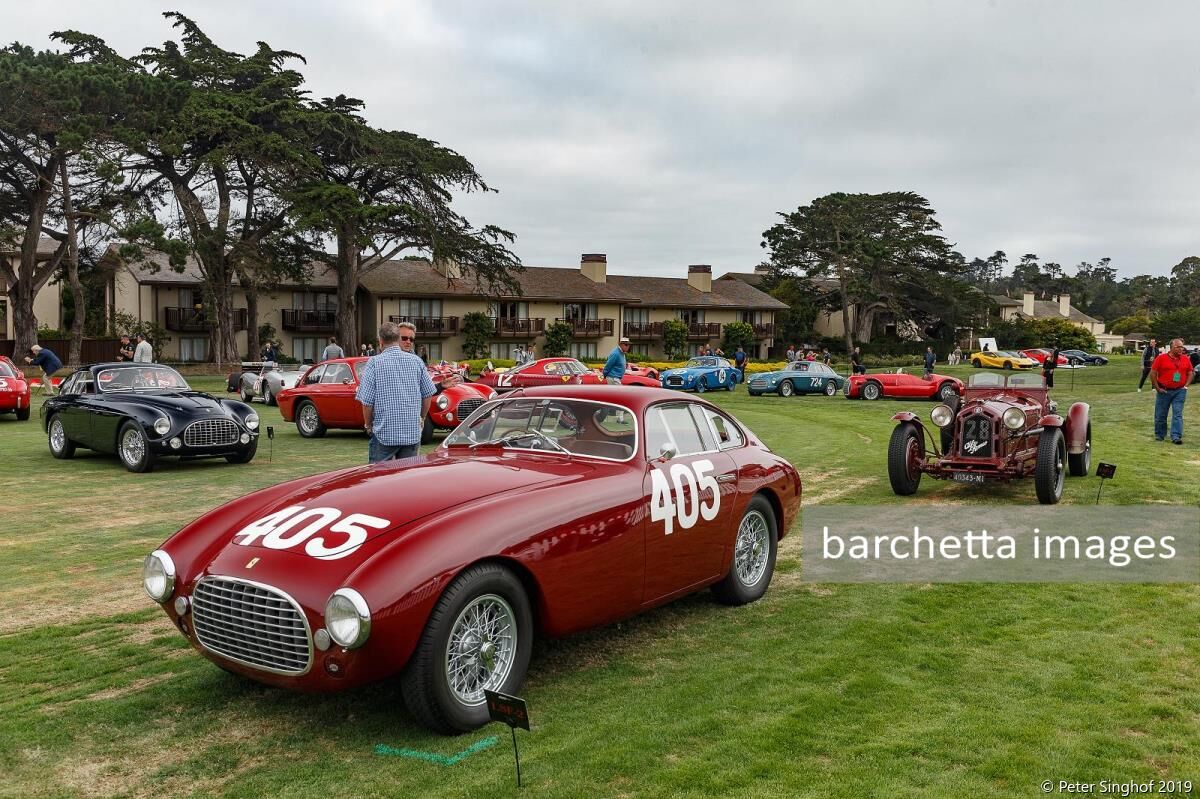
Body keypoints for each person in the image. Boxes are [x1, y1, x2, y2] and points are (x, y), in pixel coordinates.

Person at [356, 322, 437, 463]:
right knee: (407, 475)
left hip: (384, 433)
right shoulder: (417, 361)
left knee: (378, 474)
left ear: (380, 341)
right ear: (398, 338)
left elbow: (367, 402)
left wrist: (368, 425)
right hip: (411, 434)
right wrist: (422, 417)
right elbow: (427, 394)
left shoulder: (374, 363)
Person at [1150, 338, 1193, 444]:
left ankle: (1176, 436)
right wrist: (1157, 388)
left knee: (1177, 414)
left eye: (1182, 347)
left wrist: (1186, 386)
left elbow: (1190, 372)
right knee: (1161, 414)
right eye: (1178, 347)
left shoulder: (1185, 359)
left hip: (1179, 391)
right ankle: (1160, 435)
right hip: (1164, 391)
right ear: (1171, 348)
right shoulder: (1161, 358)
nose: (1181, 349)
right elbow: (1153, 373)